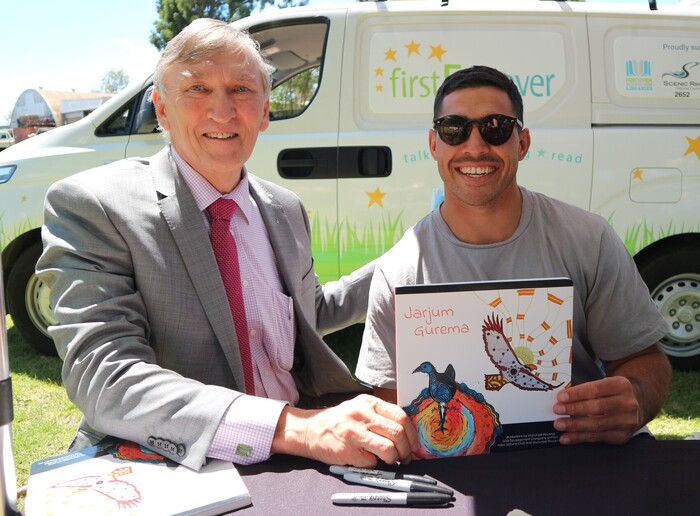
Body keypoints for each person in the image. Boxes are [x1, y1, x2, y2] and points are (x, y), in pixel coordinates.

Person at [36, 18, 418, 471]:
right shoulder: (93, 205)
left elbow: (308, 311)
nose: (223, 112)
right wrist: (297, 429)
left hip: (298, 463)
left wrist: (410, 257)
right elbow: (107, 377)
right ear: (161, 109)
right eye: (197, 89)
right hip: (180, 469)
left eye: (241, 89)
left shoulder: (284, 208)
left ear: (265, 111)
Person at [355, 65, 672, 446]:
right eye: (454, 128)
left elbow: (645, 360)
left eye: (495, 127)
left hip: (580, 458)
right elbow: (391, 406)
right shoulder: (398, 272)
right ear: (433, 143)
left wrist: (635, 397)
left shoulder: (589, 239)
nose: (474, 146)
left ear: (522, 143)